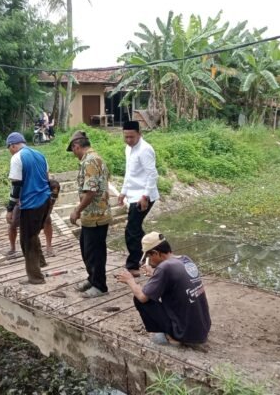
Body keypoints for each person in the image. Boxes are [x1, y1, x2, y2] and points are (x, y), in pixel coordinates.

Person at [117, 232, 211, 346]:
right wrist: (155, 274)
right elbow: (174, 281)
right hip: (202, 329)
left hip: (185, 333)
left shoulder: (165, 267)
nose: (149, 260)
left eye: (149, 256)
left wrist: (130, 280)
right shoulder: (185, 259)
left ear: (156, 253)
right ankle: (180, 331)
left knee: (139, 297)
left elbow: (142, 297)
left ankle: (172, 336)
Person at [67, 131, 112, 298]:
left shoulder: (91, 161)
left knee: (95, 252)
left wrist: (76, 210)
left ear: (76, 146)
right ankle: (92, 279)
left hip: (96, 216)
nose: (73, 154)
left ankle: (100, 286)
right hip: (91, 215)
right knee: (86, 248)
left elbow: (91, 191)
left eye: (73, 150)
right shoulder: (91, 159)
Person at [5, 132, 51, 285]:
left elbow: (16, 186)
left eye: (9, 148)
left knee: (27, 240)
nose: (10, 151)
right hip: (45, 200)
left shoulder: (17, 158)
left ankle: (35, 277)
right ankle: (41, 262)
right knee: (33, 233)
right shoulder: (40, 154)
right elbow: (47, 176)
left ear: (13, 145)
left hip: (31, 204)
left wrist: (10, 209)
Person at [117, 120, 160, 277]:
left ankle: (134, 265)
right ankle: (153, 253)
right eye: (126, 137)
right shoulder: (128, 149)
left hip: (144, 195)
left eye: (132, 137)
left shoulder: (145, 150)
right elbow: (129, 173)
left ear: (139, 134)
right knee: (135, 230)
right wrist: (123, 192)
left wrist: (145, 196)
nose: (129, 140)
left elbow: (152, 174)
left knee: (132, 230)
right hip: (133, 194)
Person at [7, 178, 60, 258]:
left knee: (47, 220)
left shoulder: (50, 193)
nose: (54, 194)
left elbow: (50, 206)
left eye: (55, 193)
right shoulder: (27, 183)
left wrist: (44, 217)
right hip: (21, 201)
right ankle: (12, 248)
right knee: (13, 223)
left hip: (38, 204)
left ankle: (49, 247)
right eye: (52, 192)